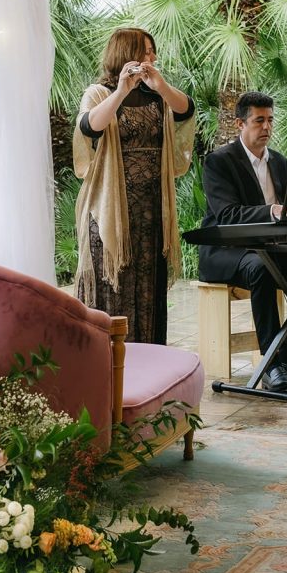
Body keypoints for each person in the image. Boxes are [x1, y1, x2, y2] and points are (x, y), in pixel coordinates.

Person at [198, 91, 287, 391]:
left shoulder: (280, 163)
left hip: (273, 250)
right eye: (259, 120)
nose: (266, 127)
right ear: (240, 123)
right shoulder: (219, 161)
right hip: (227, 251)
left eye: (270, 120)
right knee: (261, 269)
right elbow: (227, 214)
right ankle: (271, 365)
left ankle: (286, 354)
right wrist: (271, 210)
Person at [73, 27, 196, 343]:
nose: (152, 57)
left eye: (153, 51)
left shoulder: (158, 95)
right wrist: (121, 91)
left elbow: (186, 110)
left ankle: (149, 360)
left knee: (148, 291)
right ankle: (107, 362)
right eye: (146, 51)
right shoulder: (99, 93)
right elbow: (89, 127)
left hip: (151, 211)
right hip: (110, 212)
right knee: (113, 290)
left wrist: (161, 86)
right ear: (126, 53)